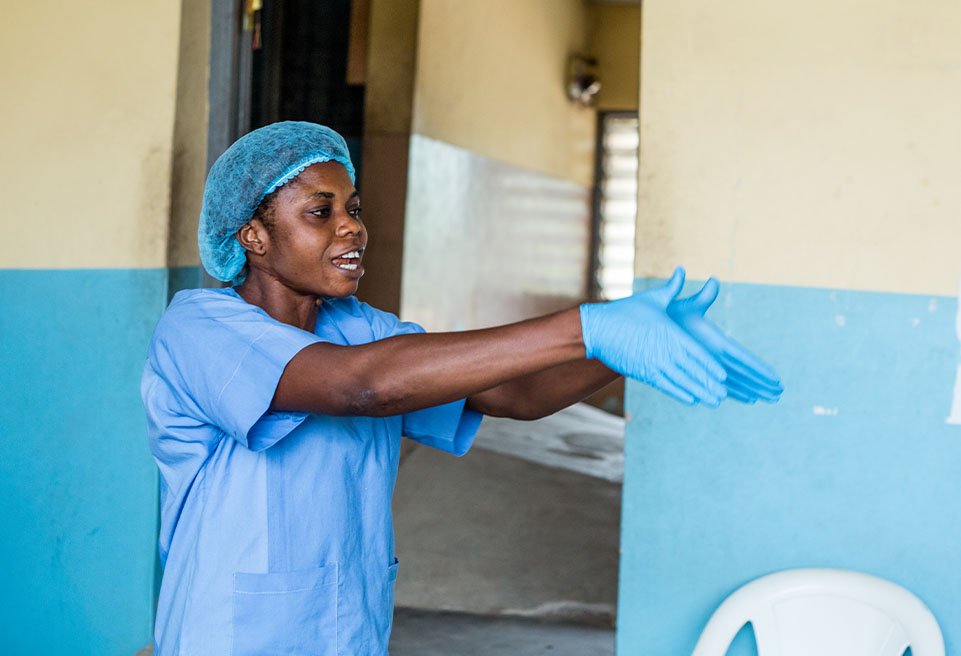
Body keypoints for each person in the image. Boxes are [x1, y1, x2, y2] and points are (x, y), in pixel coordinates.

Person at [141, 121, 781, 655]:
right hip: (231, 633)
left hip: (344, 628)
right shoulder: (199, 327)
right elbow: (360, 388)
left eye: (354, 209)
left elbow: (517, 395)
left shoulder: (364, 328)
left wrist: (621, 348)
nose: (352, 227)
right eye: (321, 211)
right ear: (252, 236)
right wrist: (584, 325)